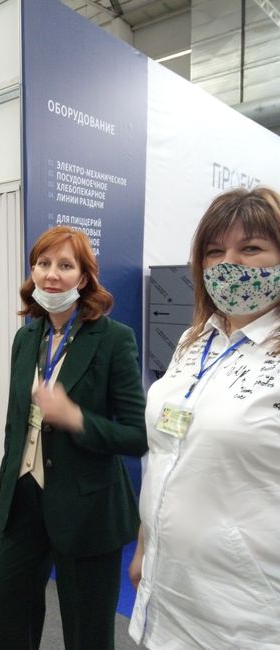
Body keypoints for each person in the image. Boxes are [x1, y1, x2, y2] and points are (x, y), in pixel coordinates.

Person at [129, 186, 280, 649]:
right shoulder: (194, 340)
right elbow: (166, 452)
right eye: (214, 252)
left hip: (244, 613)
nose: (228, 264)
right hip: (168, 590)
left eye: (250, 248)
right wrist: (145, 543)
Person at [0, 225, 147, 650]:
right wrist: (4, 496)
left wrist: (75, 418)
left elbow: (137, 436)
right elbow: (15, 424)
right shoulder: (27, 337)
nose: (51, 274)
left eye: (65, 265)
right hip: (24, 498)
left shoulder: (114, 339)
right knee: (4, 605)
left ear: (84, 277)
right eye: (43, 263)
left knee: (86, 630)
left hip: (86, 505)